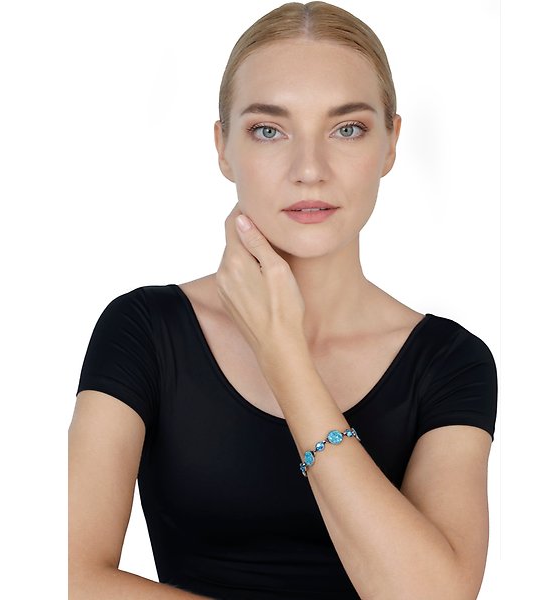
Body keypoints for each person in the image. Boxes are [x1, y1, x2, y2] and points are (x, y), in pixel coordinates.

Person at [68, 2, 497, 599]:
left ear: (391, 144)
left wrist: (282, 355)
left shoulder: (449, 361)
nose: (310, 170)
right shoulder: (144, 330)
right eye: (269, 130)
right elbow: (71, 578)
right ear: (223, 148)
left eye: (347, 129)